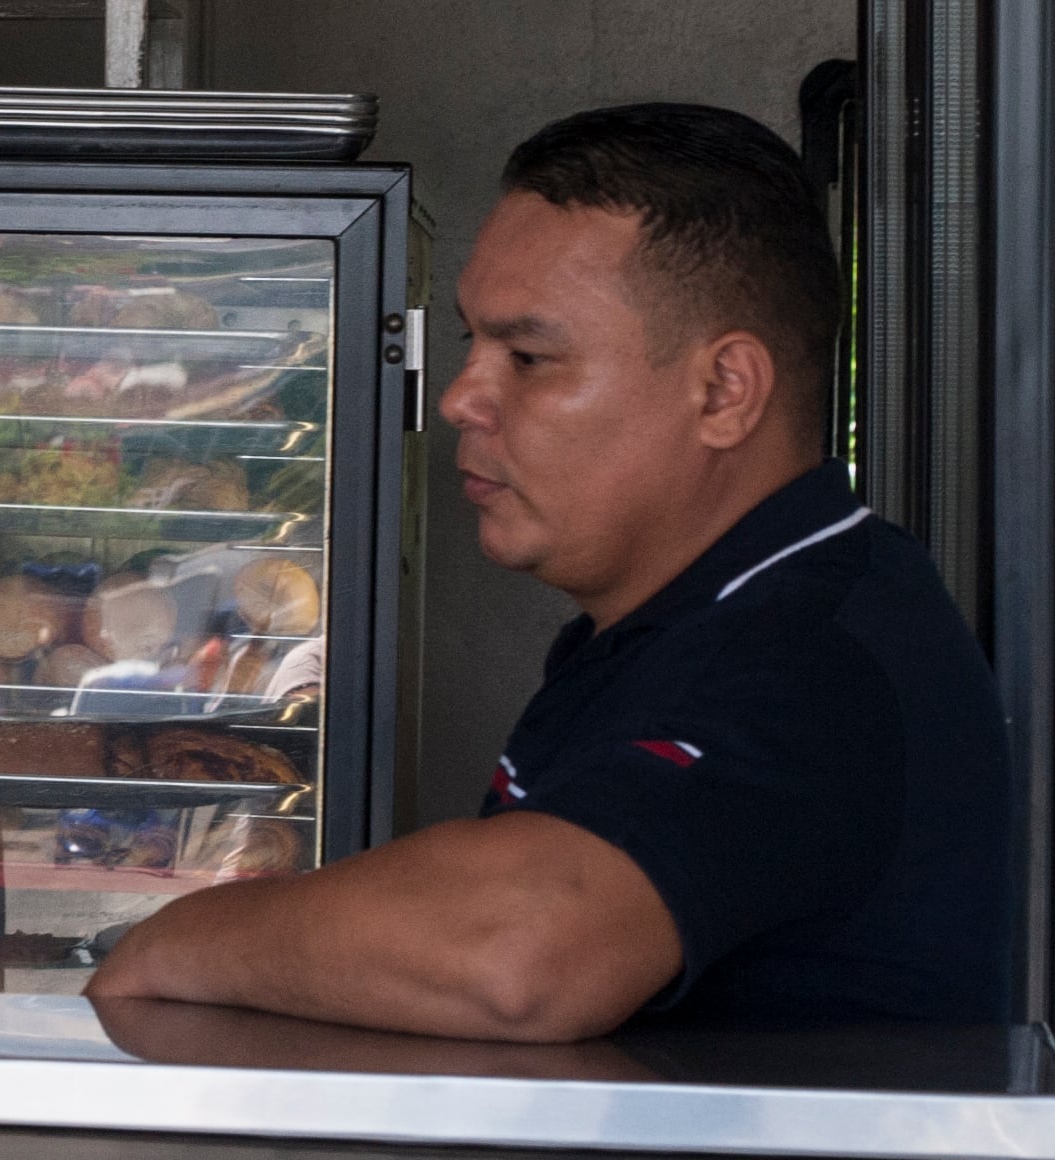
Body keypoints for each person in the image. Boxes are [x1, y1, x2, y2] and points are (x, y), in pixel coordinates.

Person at [86, 102, 1007, 1039]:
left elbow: (518, 954)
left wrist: (175, 942)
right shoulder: (670, 627)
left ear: (725, 391)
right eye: (470, 344)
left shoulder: (809, 655)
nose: (461, 398)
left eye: (529, 357)